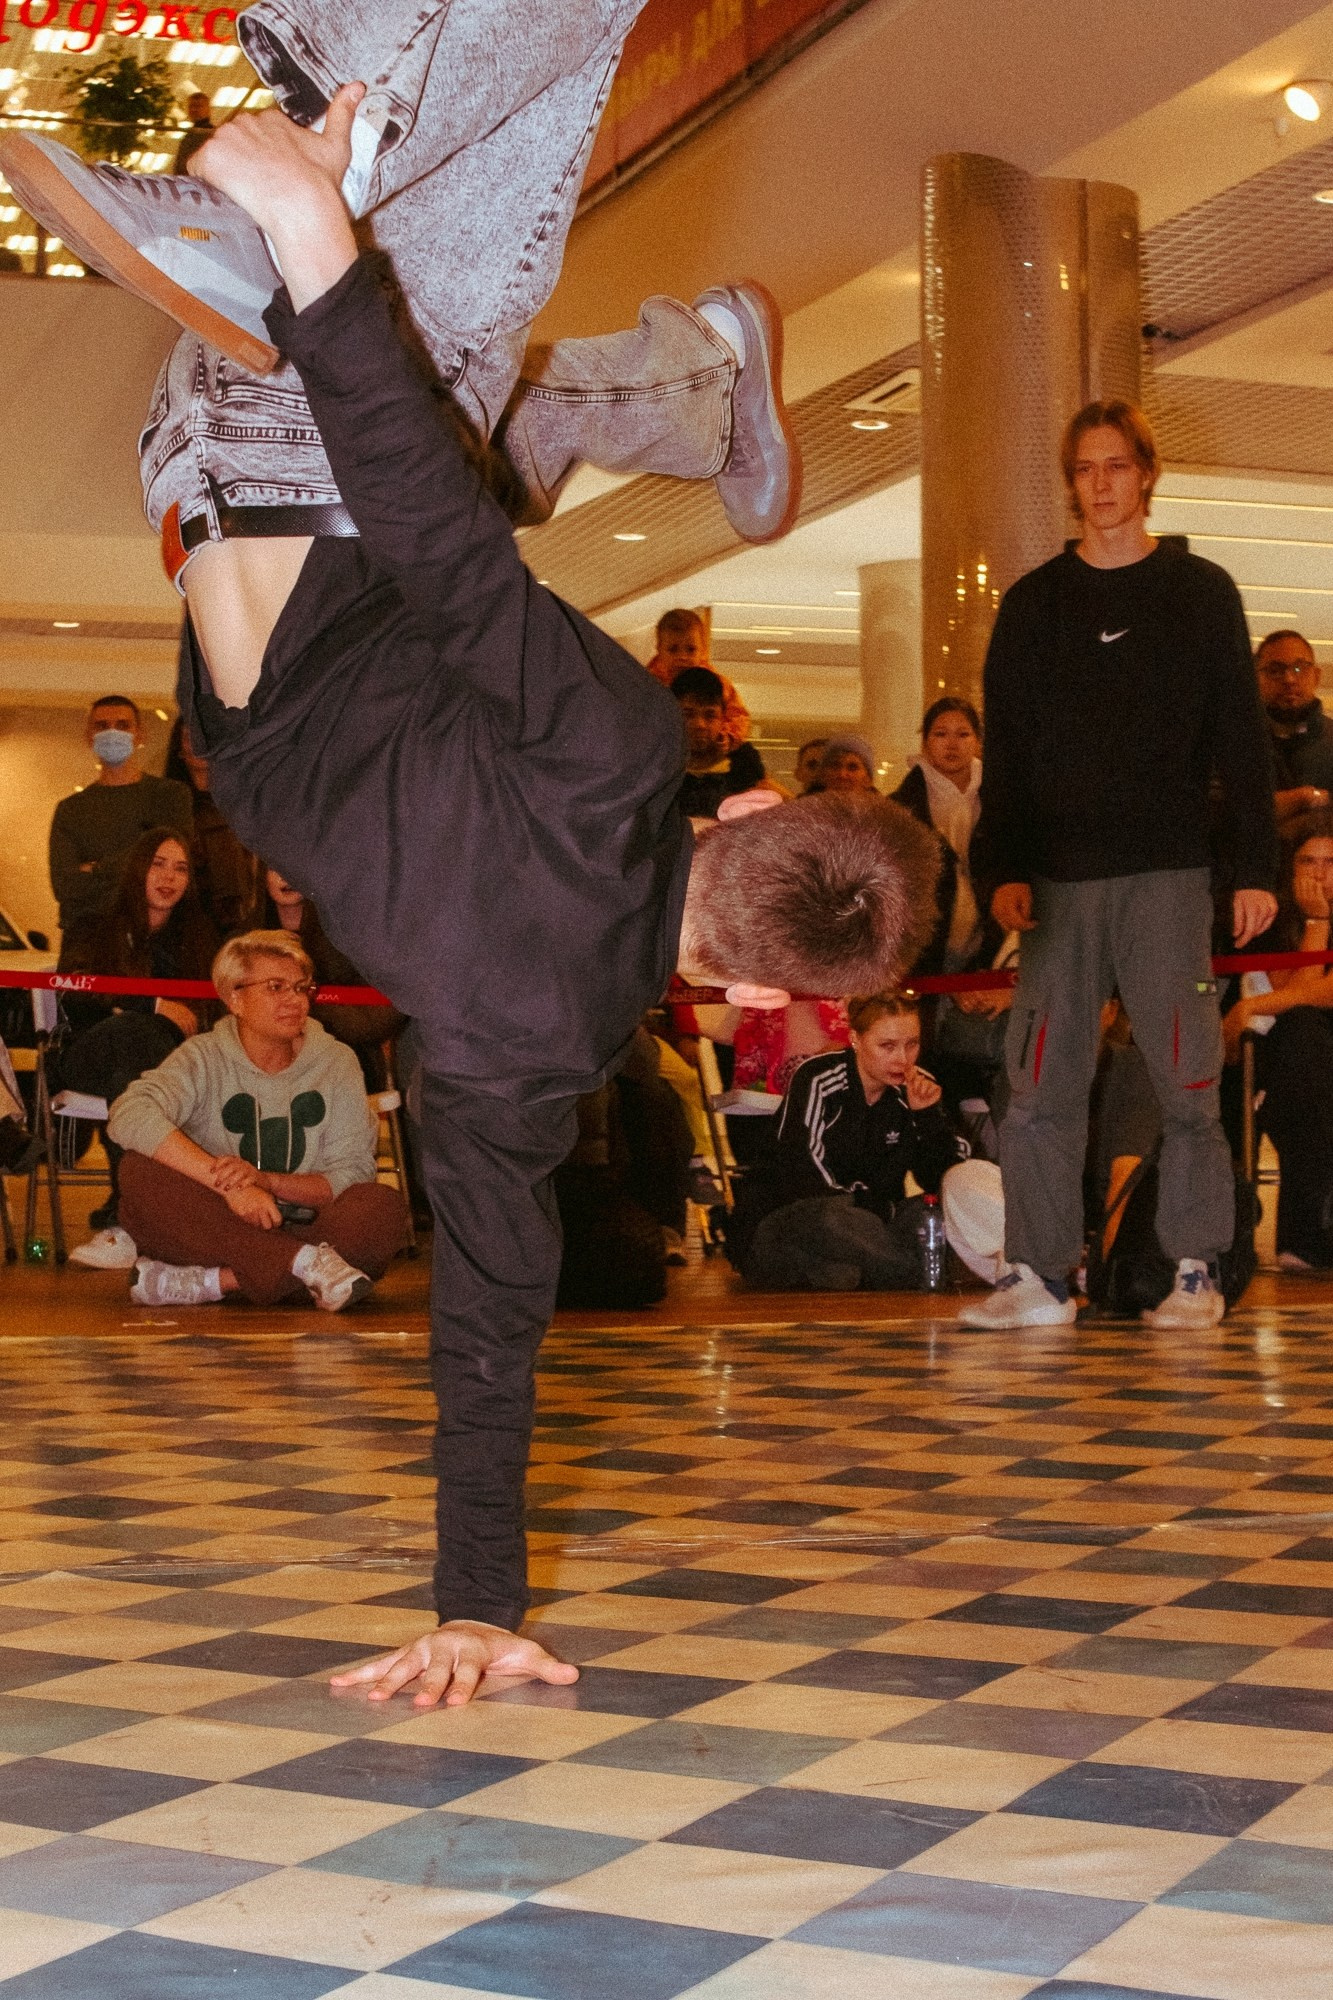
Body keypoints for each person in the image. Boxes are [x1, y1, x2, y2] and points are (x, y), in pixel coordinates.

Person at [3, 34, 934, 1708]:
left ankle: (638, 360)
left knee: (513, 58)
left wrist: (320, 256)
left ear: (740, 820)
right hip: (214, 503)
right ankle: (657, 378)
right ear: (745, 989)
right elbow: (491, 1319)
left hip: (299, 438)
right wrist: (474, 1601)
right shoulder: (535, 1068)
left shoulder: (623, 757)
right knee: (454, 322)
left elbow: (443, 548)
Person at [962, 398, 1278, 1333]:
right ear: (1071, 484)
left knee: (1186, 1078)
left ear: (1144, 474)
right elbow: (1006, 757)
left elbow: (1240, 741)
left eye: (1115, 466)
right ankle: (1039, 1275)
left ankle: (1193, 1270)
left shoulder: (1200, 592)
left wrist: (1253, 869)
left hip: (1167, 875)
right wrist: (999, 870)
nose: (1100, 484)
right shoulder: (1033, 604)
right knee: (1039, 1086)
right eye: (1084, 469)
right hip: (1056, 883)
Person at [111, 929, 407, 1307]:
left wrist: (266, 1181)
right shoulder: (203, 1056)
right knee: (139, 1171)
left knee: (381, 1208)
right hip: (218, 1220)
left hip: (304, 1223)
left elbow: (351, 1173)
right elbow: (129, 1112)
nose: (295, 1000)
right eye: (275, 987)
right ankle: (307, 1266)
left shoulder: (337, 1061)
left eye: (301, 988)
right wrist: (231, 1188)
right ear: (235, 998)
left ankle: (214, 1282)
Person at [726, 991, 1004, 1289]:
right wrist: (879, 1210)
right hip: (791, 1218)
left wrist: (926, 1116)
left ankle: (847, 1271)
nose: (902, 1059)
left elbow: (945, 1180)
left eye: (912, 1044)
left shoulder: (917, 1085)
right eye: (887, 1046)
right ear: (855, 1039)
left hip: (872, 1222)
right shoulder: (817, 1077)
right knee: (831, 1218)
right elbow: (802, 1177)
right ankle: (921, 1272)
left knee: (932, 1213)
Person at [58, 828, 219, 1267]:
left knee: (135, 1061)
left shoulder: (199, 939)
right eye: (158, 864)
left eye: (180, 869)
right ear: (137, 869)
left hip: (162, 1066)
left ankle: (129, 1213)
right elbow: (76, 993)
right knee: (133, 1032)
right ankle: (141, 1212)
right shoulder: (93, 925)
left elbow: (204, 1015)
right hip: (90, 1054)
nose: (169, 877)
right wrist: (153, 1005)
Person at [1223, 811, 1333, 1268]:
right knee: (1301, 1036)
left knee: (1304, 1042)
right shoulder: (1271, 924)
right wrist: (1316, 923)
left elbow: (1321, 993)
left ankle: (1306, 1233)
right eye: (1308, 861)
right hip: (1286, 1057)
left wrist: (1248, 1008)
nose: (1319, 873)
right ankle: (1300, 1235)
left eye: (1331, 861)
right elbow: (1298, 992)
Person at [892, 697, 1011, 1119]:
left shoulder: (1003, 800)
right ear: (925, 742)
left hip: (989, 949)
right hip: (922, 959)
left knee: (979, 1071)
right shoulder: (900, 807)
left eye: (963, 734)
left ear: (978, 741)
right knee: (919, 1060)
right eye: (940, 734)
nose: (952, 744)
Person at [48, 695, 193, 933]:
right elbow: (64, 887)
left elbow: (174, 862)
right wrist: (143, 862)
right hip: (86, 937)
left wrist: (97, 868)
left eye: (123, 725)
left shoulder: (170, 796)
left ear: (140, 735)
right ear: (89, 736)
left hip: (154, 935)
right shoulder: (71, 809)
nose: (112, 733)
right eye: (102, 726)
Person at [256, 866, 405, 1087]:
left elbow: (380, 1014)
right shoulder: (244, 942)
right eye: (275, 867)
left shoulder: (347, 935)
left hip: (350, 1067)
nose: (285, 876)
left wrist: (308, 1014)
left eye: (293, 865)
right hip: (270, 1076)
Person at [164, 713, 263, 934]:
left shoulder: (247, 801)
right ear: (179, 748)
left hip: (246, 918)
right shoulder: (169, 808)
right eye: (191, 737)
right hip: (187, 920)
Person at [1255, 629, 1333, 831]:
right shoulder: (1235, 742)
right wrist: (1306, 798)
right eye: (1275, 670)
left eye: (1300, 667)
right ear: (1256, 680)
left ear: (1316, 676)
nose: (1289, 679)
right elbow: (1217, 810)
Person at [645, 609, 751, 752]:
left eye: (691, 650)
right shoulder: (648, 684)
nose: (682, 657)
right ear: (659, 649)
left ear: (702, 649)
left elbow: (738, 715)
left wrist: (729, 736)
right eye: (673, 649)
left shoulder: (717, 685)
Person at [674, 667, 767, 817]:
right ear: (672, 715)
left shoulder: (744, 765)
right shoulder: (656, 765)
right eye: (688, 714)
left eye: (710, 715)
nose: (700, 725)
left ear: (722, 718)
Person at [813, 734, 878, 793]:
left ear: (867, 780)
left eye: (853, 768)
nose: (842, 774)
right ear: (823, 775)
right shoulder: (808, 802)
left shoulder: (879, 803)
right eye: (835, 766)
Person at [173, 92, 216, 177]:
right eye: (191, 106)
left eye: (198, 106)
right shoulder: (189, 135)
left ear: (208, 109)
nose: (194, 110)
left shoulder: (211, 134)